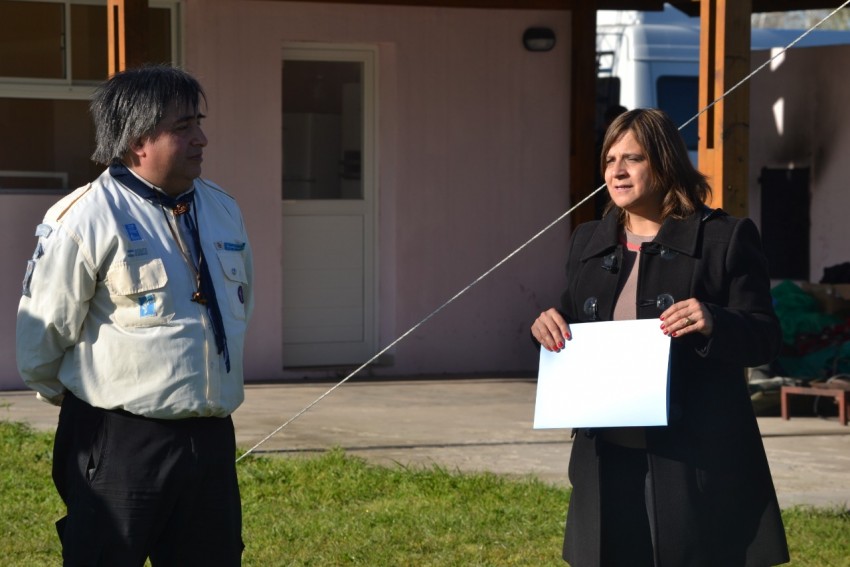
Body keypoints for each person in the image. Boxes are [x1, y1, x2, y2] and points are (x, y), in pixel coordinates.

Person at [16, 65, 253, 566]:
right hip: (119, 443)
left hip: (210, 441)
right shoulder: (85, 217)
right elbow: (42, 337)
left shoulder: (223, 210)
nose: (201, 139)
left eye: (199, 123)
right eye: (183, 127)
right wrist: (87, 404)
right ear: (137, 140)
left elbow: (240, 305)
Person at [530, 108, 789, 566]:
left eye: (632, 159)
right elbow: (572, 324)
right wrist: (546, 330)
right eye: (609, 160)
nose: (617, 171)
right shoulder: (588, 241)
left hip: (694, 466)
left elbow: (766, 337)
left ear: (666, 163)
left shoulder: (724, 238)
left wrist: (714, 321)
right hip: (605, 463)